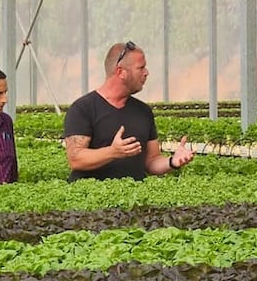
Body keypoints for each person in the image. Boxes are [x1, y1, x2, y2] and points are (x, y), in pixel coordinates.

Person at [63, 40, 194, 181]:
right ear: (121, 72)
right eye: (141, 68)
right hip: (91, 200)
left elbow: (151, 161)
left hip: (133, 200)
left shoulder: (143, 111)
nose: (146, 73)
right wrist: (112, 152)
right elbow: (75, 159)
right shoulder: (83, 109)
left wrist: (172, 161)